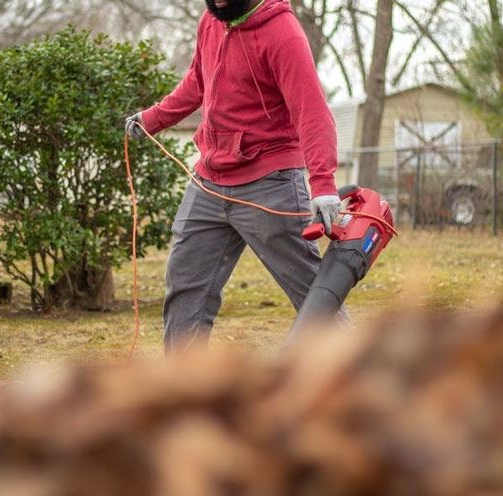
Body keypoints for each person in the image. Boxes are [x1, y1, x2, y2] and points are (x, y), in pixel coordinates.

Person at [126, 0, 341, 354]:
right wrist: (151, 119)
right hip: (209, 182)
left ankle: (358, 379)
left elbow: (312, 110)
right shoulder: (211, 21)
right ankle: (184, 390)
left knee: (312, 292)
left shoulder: (283, 33)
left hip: (269, 181)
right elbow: (197, 81)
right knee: (185, 284)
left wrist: (323, 184)